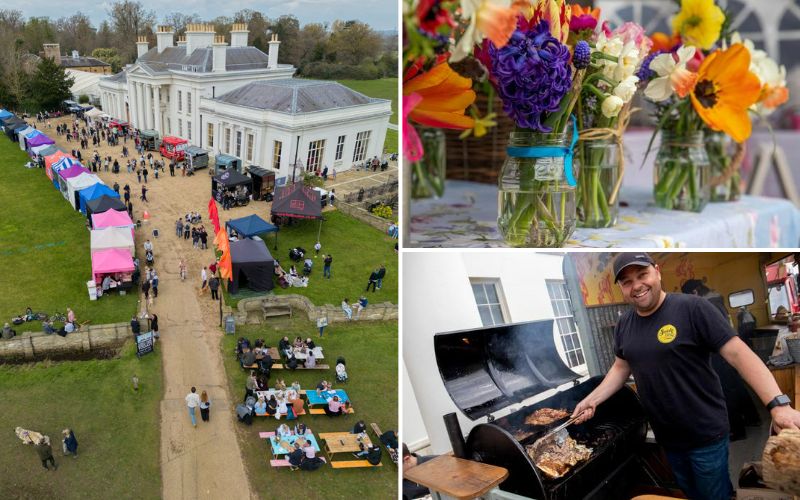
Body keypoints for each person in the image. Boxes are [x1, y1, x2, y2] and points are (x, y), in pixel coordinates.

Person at [572, 253, 800, 500]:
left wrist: (778, 404)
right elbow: (620, 368)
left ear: (657, 272)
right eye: (627, 281)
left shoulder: (693, 308)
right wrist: (592, 399)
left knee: (714, 496)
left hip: (705, 435)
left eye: (642, 275)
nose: (636, 285)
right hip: (668, 438)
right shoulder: (625, 323)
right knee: (689, 493)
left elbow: (738, 354)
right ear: (620, 288)